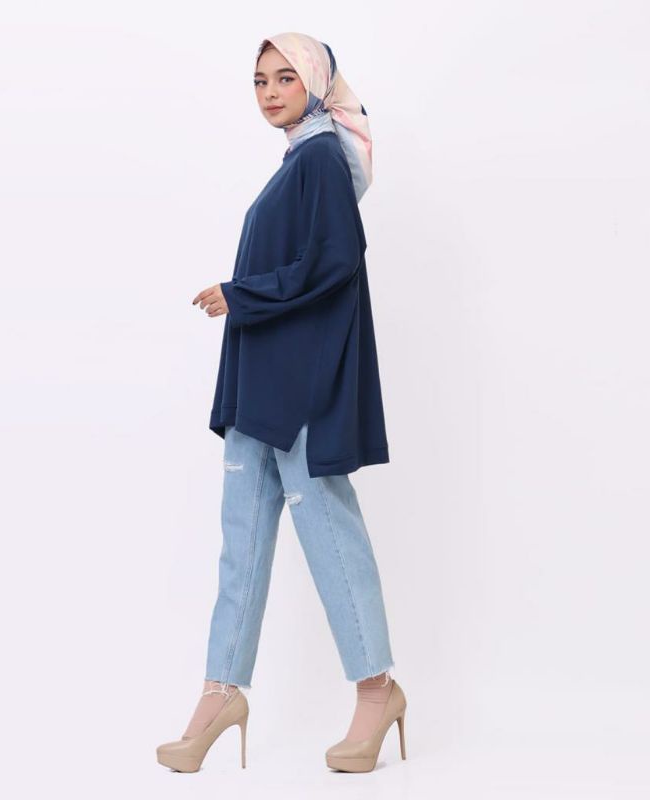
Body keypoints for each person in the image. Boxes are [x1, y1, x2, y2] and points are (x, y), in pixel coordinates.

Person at [156, 31, 406, 774]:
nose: (269, 91)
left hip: (297, 387)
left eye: (285, 77)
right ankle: (219, 694)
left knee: (327, 530)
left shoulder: (322, 157)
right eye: (260, 80)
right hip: (259, 384)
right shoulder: (297, 159)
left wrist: (242, 294)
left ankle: (377, 689)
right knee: (242, 541)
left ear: (316, 83)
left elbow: (335, 263)